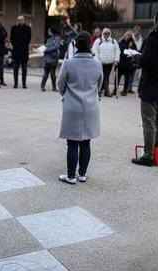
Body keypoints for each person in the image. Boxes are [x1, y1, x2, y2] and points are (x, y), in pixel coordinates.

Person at [57, 31, 103, 184]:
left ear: (75, 45)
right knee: (86, 142)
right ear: (90, 44)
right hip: (91, 106)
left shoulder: (68, 63)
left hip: (72, 106)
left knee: (72, 142)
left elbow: (60, 84)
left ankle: (70, 176)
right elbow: (99, 84)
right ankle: (82, 174)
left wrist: (67, 94)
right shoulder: (97, 64)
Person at [131, 13, 158, 167]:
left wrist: (137, 58)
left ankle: (148, 156)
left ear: (156, 22)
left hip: (151, 87)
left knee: (149, 122)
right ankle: (156, 151)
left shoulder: (153, 39)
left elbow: (146, 61)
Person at [92, 28, 120, 97]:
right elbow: (95, 51)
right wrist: (97, 61)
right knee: (102, 77)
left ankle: (103, 90)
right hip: (101, 63)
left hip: (110, 62)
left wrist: (116, 59)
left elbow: (117, 50)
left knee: (106, 76)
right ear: (103, 33)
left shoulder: (113, 41)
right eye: (105, 33)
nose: (107, 35)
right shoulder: (98, 41)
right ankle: (103, 91)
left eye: (108, 33)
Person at [10, 15, 31, 89]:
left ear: (24, 20)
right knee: (15, 68)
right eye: (19, 20)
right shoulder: (14, 28)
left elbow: (29, 39)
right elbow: (11, 39)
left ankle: (24, 84)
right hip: (16, 51)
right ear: (17, 21)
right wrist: (16, 45)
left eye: (22, 20)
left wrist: (24, 45)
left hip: (24, 51)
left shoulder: (28, 28)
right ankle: (15, 83)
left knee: (24, 69)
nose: (20, 21)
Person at [113, 30, 136, 97]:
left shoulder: (132, 44)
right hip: (120, 62)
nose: (127, 36)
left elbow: (134, 52)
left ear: (131, 37)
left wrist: (130, 47)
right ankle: (115, 90)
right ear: (124, 35)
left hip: (128, 64)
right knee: (117, 77)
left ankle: (125, 90)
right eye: (126, 35)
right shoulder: (121, 42)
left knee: (127, 78)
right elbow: (117, 51)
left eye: (129, 35)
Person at [41, 27, 60, 92]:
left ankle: (54, 87)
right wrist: (42, 49)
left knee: (52, 73)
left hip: (52, 59)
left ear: (51, 31)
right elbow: (46, 47)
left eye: (49, 31)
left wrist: (47, 49)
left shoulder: (56, 38)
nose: (48, 32)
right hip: (47, 58)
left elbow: (56, 46)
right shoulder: (48, 39)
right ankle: (42, 86)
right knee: (45, 73)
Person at [128, 25, 143, 94]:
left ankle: (130, 88)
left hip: (136, 57)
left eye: (137, 31)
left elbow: (138, 48)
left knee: (132, 73)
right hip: (129, 57)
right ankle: (127, 87)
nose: (135, 33)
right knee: (128, 73)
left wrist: (134, 40)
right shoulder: (130, 37)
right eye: (134, 31)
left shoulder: (140, 39)